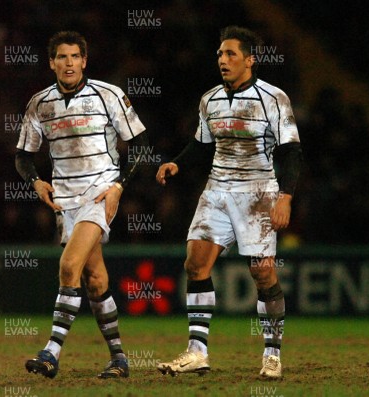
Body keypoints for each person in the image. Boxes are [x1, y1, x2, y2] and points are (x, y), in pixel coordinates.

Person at [155, 26, 301, 379]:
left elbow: (292, 151)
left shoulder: (274, 98)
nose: (223, 59)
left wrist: (285, 198)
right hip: (217, 190)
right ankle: (197, 353)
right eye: (220, 54)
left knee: (262, 271)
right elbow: (203, 143)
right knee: (195, 264)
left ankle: (272, 355)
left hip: (257, 193)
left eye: (231, 54)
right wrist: (178, 161)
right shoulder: (209, 99)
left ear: (250, 60)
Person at [15, 31, 148, 379]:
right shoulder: (40, 103)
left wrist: (119, 186)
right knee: (93, 276)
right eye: (62, 57)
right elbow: (22, 156)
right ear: (52, 63)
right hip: (64, 199)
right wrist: (36, 182)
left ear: (84, 61)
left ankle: (51, 353)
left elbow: (140, 144)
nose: (69, 63)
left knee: (69, 265)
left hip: (99, 194)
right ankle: (119, 358)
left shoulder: (109, 95)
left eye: (75, 56)